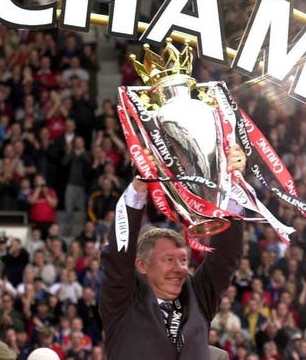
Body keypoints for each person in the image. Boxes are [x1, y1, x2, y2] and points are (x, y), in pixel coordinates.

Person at [99, 145, 247, 360]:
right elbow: (118, 256)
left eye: (183, 260)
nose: (179, 268)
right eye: (169, 260)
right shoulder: (124, 302)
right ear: (142, 265)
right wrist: (139, 188)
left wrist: (232, 188)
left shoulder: (197, 296)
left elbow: (225, 258)